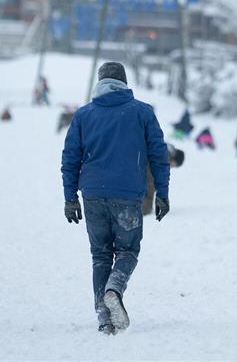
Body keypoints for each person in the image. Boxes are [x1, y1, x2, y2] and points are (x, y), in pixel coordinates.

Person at [61, 61, 170, 335]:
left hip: (93, 195)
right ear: (124, 82)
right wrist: (162, 194)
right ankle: (114, 288)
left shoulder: (84, 115)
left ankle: (104, 318)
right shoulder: (142, 112)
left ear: (100, 83)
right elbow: (159, 156)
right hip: (127, 196)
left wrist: (69, 197)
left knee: (100, 256)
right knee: (128, 251)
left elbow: (70, 158)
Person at [143, 146, 184, 216]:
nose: (172, 167)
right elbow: (151, 183)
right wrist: (147, 208)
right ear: (174, 160)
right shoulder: (163, 159)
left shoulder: (162, 147)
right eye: (174, 165)